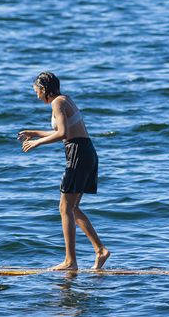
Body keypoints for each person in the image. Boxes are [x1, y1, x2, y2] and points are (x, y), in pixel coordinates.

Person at [18, 71, 109, 271]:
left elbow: (63, 133)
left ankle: (70, 261)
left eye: (36, 91)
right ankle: (100, 250)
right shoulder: (65, 99)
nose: (36, 96)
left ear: (43, 89)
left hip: (78, 153)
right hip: (86, 151)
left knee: (64, 208)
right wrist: (35, 132)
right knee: (72, 208)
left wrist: (37, 142)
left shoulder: (57, 103)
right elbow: (67, 131)